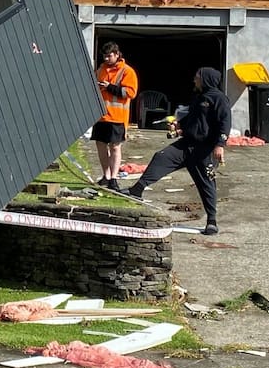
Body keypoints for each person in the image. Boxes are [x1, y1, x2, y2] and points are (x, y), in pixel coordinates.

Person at [121, 66, 230, 235]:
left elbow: (225, 122)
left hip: (205, 150)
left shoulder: (219, 99)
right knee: (161, 157)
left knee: (206, 183)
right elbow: (194, 120)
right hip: (186, 144)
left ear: (206, 79)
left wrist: (220, 145)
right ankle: (137, 190)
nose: (194, 80)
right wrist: (180, 127)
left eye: (197, 77)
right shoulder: (198, 97)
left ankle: (211, 221)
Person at [90, 42, 138, 192]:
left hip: (117, 117)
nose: (106, 59)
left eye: (109, 56)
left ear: (117, 55)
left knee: (115, 147)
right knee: (100, 145)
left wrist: (110, 87)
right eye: (104, 56)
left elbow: (131, 92)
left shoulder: (127, 71)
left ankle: (114, 178)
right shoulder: (100, 70)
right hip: (101, 116)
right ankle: (106, 176)